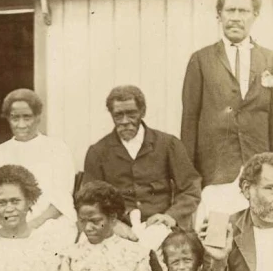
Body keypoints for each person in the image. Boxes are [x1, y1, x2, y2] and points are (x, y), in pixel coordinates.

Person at [181, 0, 273, 229]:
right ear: (219, 15)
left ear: (255, 15)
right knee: (218, 239)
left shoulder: (270, 60)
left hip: (261, 174)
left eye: (243, 11)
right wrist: (190, 180)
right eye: (230, 11)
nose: (236, 18)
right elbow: (189, 123)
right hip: (218, 173)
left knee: (260, 238)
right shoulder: (201, 60)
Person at [82, 85, 201, 248]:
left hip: (161, 226)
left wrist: (171, 216)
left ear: (142, 112)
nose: (125, 121)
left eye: (131, 114)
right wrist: (112, 223)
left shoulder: (168, 144)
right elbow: (89, 199)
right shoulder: (98, 152)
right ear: (111, 115)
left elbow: (190, 188)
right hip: (117, 228)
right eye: (118, 115)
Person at [0, 88, 77, 242]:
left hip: (48, 223)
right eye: (15, 118)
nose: (21, 124)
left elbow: (61, 200)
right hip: (7, 224)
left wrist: (30, 227)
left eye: (27, 117)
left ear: (38, 117)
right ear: (7, 118)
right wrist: (9, 227)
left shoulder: (57, 149)